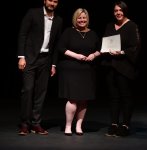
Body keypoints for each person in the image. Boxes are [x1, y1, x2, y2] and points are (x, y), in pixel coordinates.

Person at [17, 0, 63, 135]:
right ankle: (24, 124)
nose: (52, 3)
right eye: (50, 0)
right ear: (45, 1)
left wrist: (54, 64)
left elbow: (56, 43)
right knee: (28, 90)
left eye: (55, 1)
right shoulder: (33, 13)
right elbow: (23, 34)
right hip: (30, 58)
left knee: (41, 92)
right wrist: (21, 56)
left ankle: (36, 123)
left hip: (46, 59)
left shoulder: (59, 20)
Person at [100, 1, 141, 137]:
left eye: (120, 10)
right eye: (116, 10)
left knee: (126, 96)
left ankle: (125, 124)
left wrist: (122, 52)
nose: (118, 13)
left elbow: (136, 47)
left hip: (125, 67)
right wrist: (106, 50)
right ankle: (114, 123)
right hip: (110, 65)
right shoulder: (109, 26)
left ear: (125, 11)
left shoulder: (132, 26)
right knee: (113, 97)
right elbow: (105, 42)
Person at [57, 8, 101, 136]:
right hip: (71, 69)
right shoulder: (69, 32)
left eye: (84, 18)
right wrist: (76, 56)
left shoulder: (93, 33)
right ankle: (68, 125)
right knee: (72, 99)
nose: (82, 20)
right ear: (75, 19)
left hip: (87, 70)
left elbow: (101, 49)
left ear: (87, 19)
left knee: (83, 99)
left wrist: (94, 55)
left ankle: (79, 125)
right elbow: (61, 48)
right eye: (79, 18)